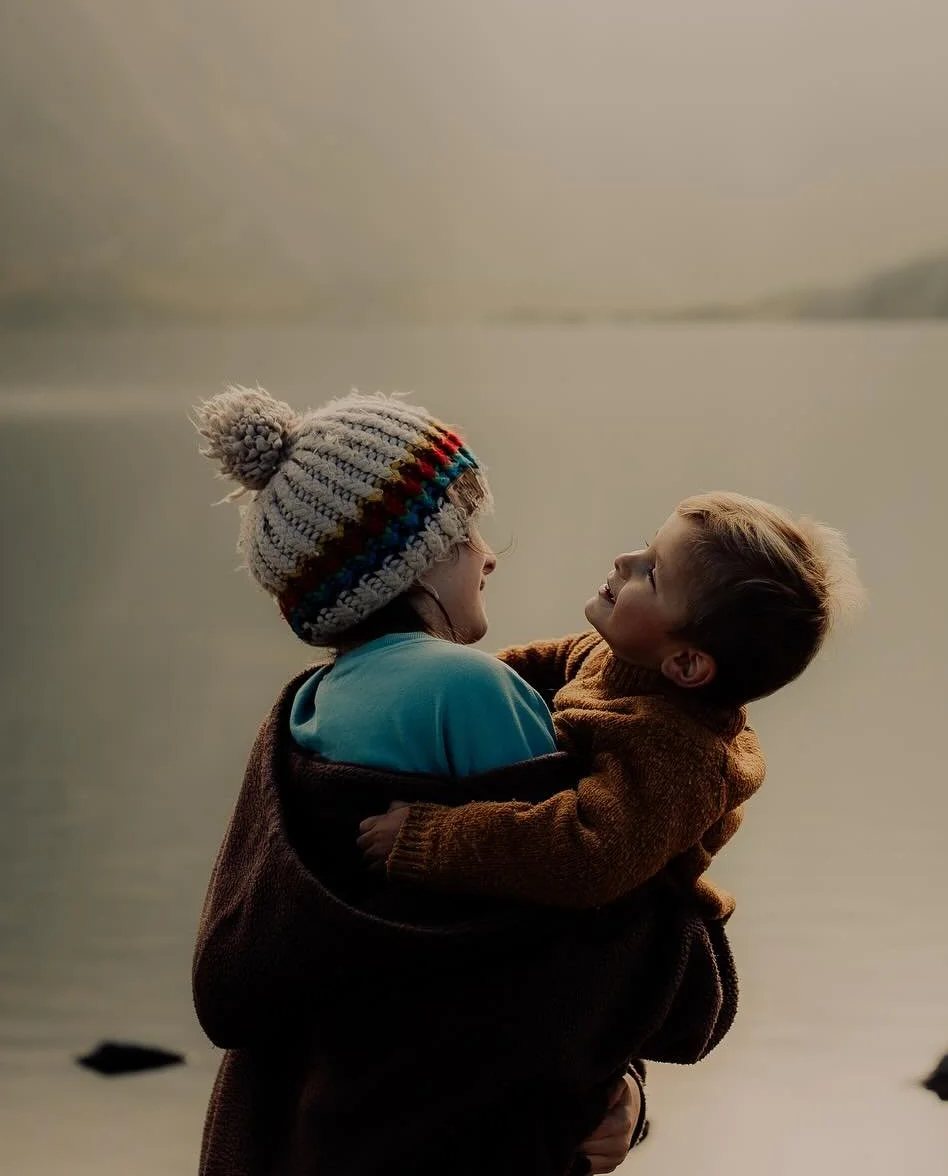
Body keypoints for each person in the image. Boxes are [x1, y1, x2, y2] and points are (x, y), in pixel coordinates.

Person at [191, 387, 737, 1176]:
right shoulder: (467, 691)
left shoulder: (304, 712)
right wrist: (623, 1087)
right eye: (465, 533)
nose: (487, 555)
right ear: (410, 559)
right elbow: (575, 941)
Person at [356, 492, 864, 923]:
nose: (625, 560)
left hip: (613, 910)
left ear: (687, 664)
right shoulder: (624, 656)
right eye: (647, 545)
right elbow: (540, 663)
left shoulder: (675, 753)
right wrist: (438, 679)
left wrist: (431, 838)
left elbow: (584, 853)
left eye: (653, 573)